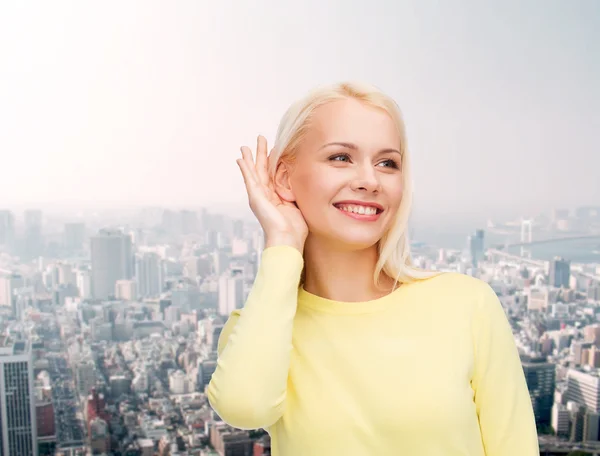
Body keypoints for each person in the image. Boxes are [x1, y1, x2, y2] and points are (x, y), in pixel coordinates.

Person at [206, 82, 539, 455]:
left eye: (387, 163)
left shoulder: (467, 304)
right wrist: (283, 241)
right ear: (284, 177)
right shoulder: (260, 328)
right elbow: (244, 408)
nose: (369, 181)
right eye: (341, 158)